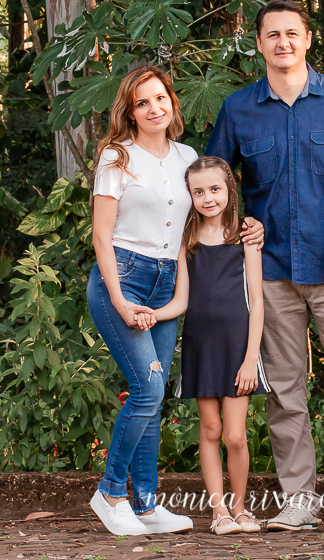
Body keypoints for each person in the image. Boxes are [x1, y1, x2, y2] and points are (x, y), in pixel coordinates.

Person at [205, 0, 324, 531]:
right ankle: (299, 499)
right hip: (273, 273)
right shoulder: (238, 109)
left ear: (308, 40)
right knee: (286, 391)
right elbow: (215, 180)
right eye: (272, 35)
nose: (283, 42)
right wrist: (239, 226)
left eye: (292, 33)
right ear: (258, 44)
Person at [87, 65, 262, 536]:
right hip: (122, 275)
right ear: (130, 110)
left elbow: (210, 210)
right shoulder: (116, 157)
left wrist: (251, 228)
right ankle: (111, 493)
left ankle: (145, 503)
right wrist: (121, 300)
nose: (153, 108)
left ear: (172, 103)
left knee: (156, 394)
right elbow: (102, 237)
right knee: (146, 387)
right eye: (142, 102)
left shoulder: (186, 156)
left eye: (160, 98)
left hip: (167, 281)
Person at [148, 156, 267, 535]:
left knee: (234, 434)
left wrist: (251, 359)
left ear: (229, 189)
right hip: (201, 344)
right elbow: (181, 300)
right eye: (198, 191)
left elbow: (257, 300)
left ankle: (241, 507)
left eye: (214, 189)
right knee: (211, 429)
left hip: (238, 347)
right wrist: (153, 314)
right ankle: (219, 513)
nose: (207, 197)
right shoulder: (187, 238)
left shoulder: (244, 234)